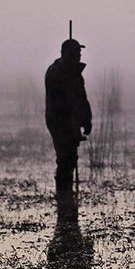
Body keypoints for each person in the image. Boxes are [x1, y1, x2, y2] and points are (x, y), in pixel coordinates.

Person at [44, 38, 92, 194]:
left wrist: (86, 120)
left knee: (70, 158)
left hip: (72, 122)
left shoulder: (74, 74)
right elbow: (61, 103)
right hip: (59, 123)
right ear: (65, 54)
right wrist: (72, 123)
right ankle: (64, 195)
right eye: (75, 53)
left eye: (79, 52)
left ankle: (66, 196)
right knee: (65, 158)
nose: (79, 56)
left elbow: (81, 98)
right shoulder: (56, 73)